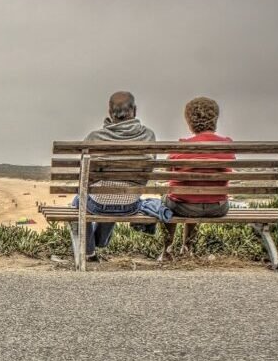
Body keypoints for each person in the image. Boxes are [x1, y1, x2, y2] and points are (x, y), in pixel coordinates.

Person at [69, 91, 157, 262]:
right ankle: (101, 241)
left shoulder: (94, 137)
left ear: (110, 113)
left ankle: (88, 252)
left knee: (79, 202)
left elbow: (84, 177)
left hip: (98, 205)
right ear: (135, 111)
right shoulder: (148, 136)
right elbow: (148, 173)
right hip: (130, 204)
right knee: (116, 194)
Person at [160, 97, 234, 259]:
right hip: (217, 207)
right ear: (214, 119)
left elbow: (167, 170)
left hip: (184, 207)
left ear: (189, 121)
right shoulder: (227, 145)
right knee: (196, 196)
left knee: (168, 200)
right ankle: (187, 248)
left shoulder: (182, 146)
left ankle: (167, 249)